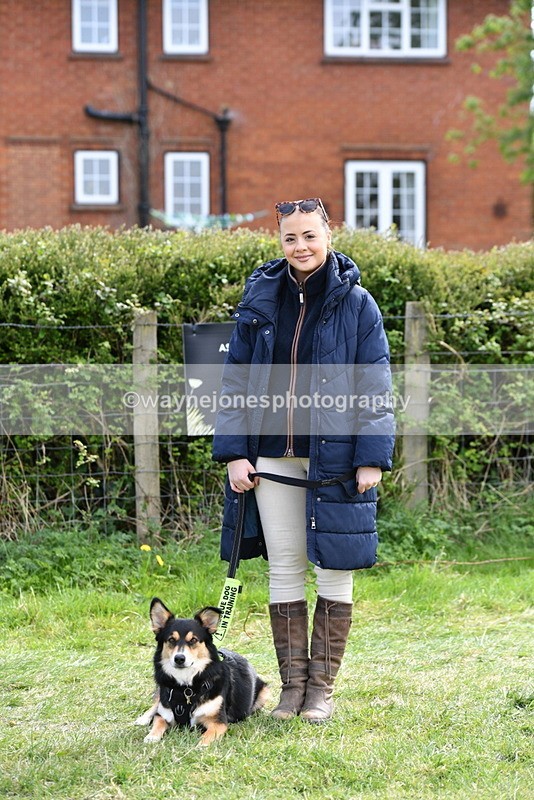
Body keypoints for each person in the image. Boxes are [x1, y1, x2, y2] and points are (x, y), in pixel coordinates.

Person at [212, 197, 394, 723]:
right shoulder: (260, 300)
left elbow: (374, 386)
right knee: (286, 567)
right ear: (280, 241)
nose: (301, 246)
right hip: (270, 459)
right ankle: (292, 687)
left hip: (334, 460)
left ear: (328, 236)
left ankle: (322, 689)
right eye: (290, 237)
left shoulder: (359, 304)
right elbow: (236, 385)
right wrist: (234, 454)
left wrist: (371, 458)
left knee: (335, 568)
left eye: (310, 235)